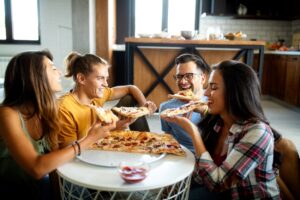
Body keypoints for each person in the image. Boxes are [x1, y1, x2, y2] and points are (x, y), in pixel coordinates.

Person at [0, 50, 116, 199]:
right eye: (53, 68)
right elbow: (37, 168)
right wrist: (89, 140)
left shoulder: (47, 112)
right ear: (35, 76)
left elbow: (54, 164)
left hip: (39, 186)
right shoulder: (7, 113)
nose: (60, 72)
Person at [161, 60, 280, 199]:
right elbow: (204, 172)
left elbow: (218, 184)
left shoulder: (258, 132)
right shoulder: (217, 123)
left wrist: (192, 131)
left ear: (234, 92)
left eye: (214, 87)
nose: (206, 93)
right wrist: (177, 182)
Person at [57, 52, 157, 148]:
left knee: (130, 98)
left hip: (99, 136)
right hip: (84, 150)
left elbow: (131, 88)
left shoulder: (96, 94)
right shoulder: (64, 108)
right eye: (100, 78)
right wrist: (113, 128)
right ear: (82, 79)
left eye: (106, 78)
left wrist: (145, 107)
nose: (106, 84)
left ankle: (147, 142)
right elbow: (70, 151)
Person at [159, 53, 211, 153]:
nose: (183, 81)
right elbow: (167, 135)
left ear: (203, 79)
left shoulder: (214, 102)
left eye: (189, 76)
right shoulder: (166, 108)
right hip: (181, 154)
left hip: (209, 155)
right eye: (179, 76)